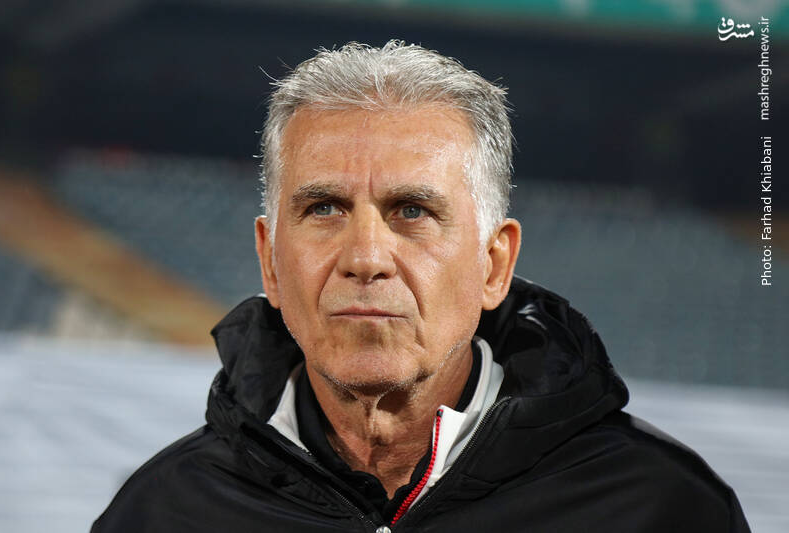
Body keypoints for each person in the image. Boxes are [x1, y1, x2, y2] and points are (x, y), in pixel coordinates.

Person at [92, 41, 750, 532]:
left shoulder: (659, 509)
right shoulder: (161, 512)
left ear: (494, 264)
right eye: (324, 208)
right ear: (270, 260)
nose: (365, 257)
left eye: (412, 210)